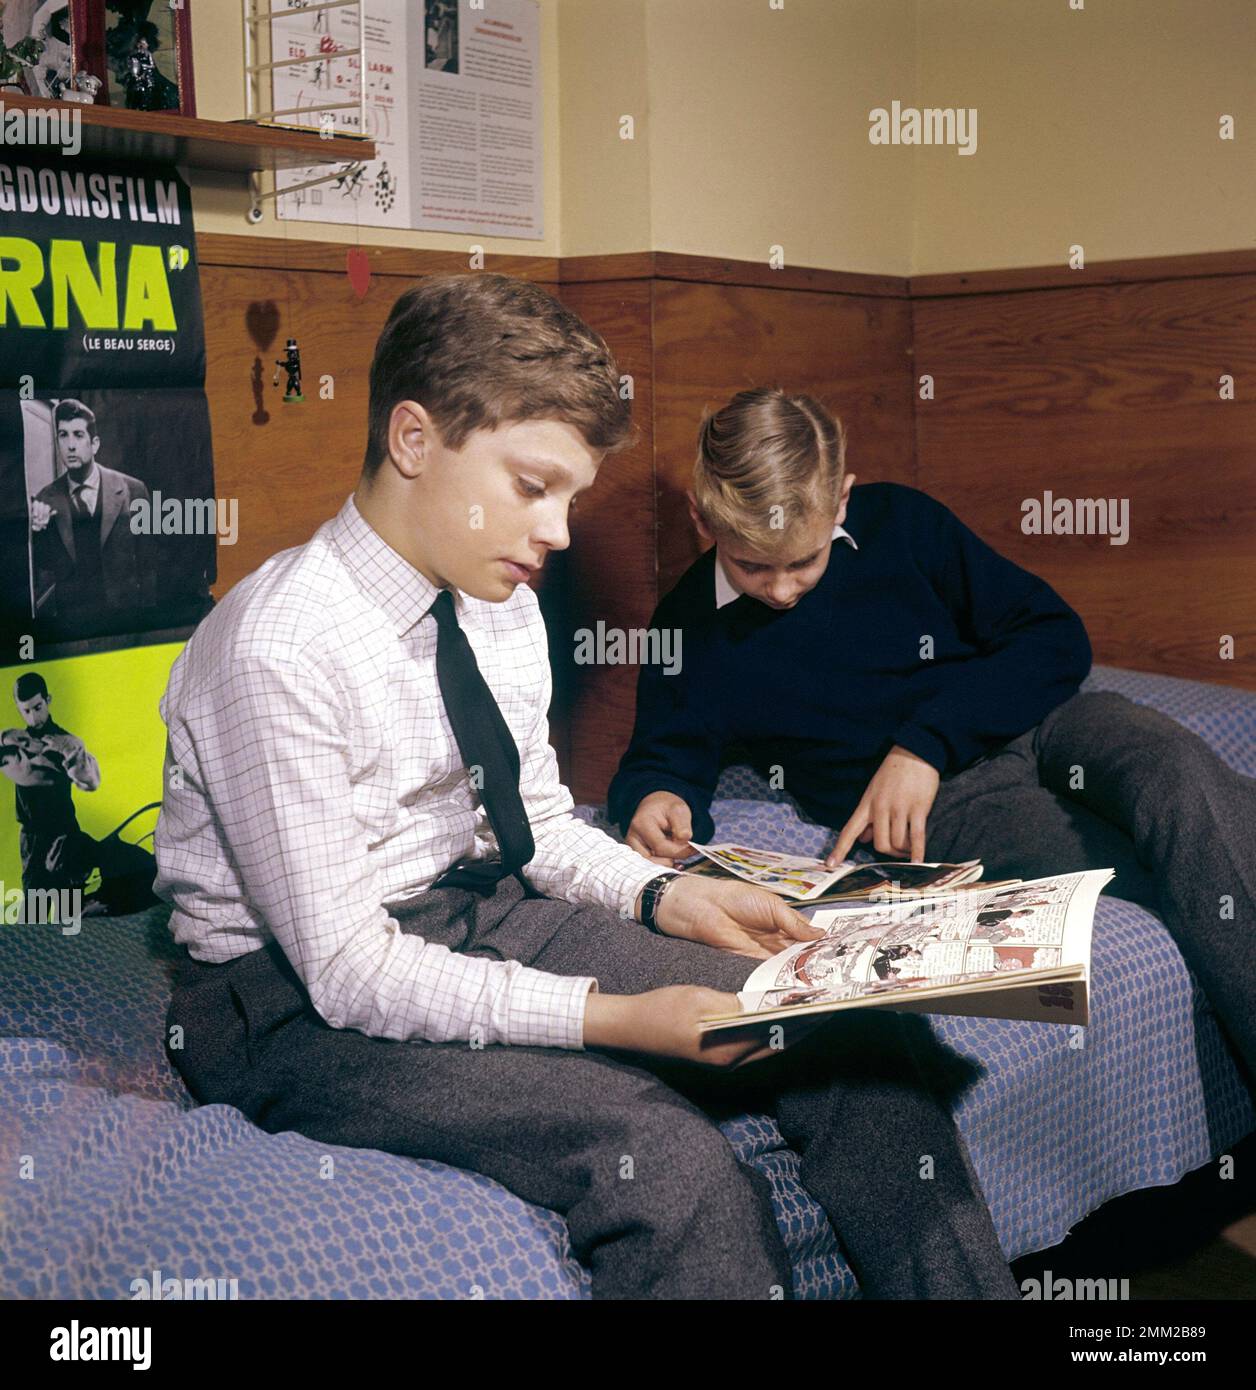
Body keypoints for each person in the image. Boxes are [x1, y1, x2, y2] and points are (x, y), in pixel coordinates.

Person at [155, 275, 1021, 1300]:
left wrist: (672, 896)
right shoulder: (281, 644)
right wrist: (619, 1017)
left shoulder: (496, 595)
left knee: (849, 1023)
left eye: (570, 496)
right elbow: (348, 970)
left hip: (479, 906)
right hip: (288, 997)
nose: (559, 531)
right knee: (659, 1157)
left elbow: (535, 827)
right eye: (534, 486)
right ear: (413, 439)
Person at [608, 385, 1256, 1086]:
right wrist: (657, 796)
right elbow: (666, 752)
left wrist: (922, 744)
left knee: (1179, 773)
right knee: (1141, 870)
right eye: (753, 567)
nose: (783, 589)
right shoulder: (689, 626)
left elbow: (1053, 635)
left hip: (1043, 719)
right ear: (705, 522)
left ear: (843, 500)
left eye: (804, 562)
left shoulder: (903, 523)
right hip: (951, 806)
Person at [29, 399, 154, 633]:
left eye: (78, 435)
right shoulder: (46, 498)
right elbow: (44, 567)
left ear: (94, 444)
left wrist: (145, 621)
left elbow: (148, 562)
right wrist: (38, 532)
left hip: (125, 619)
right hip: (74, 624)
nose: (70, 446)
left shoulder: (133, 489)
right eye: (63, 436)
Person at [2, 671, 100, 894]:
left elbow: (91, 782)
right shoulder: (15, 743)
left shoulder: (67, 742)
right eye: (25, 711)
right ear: (18, 708)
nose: (33, 718)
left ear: (48, 700)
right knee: (34, 916)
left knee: (71, 916)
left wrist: (68, 750)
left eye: (37, 708)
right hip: (33, 838)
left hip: (64, 833)